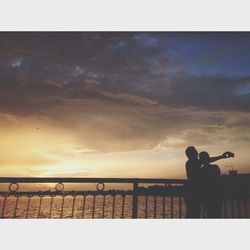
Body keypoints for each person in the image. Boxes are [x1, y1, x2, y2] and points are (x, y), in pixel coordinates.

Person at [184, 146, 234, 218]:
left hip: (195, 193)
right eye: (194, 152)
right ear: (190, 155)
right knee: (193, 214)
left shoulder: (194, 163)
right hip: (194, 193)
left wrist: (222, 156)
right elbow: (207, 160)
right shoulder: (191, 163)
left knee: (193, 214)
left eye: (196, 151)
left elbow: (206, 160)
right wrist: (222, 156)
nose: (196, 153)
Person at [199, 151, 223, 218]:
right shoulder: (215, 167)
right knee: (217, 214)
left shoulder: (201, 171)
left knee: (210, 214)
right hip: (217, 195)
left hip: (207, 196)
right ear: (208, 157)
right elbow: (219, 180)